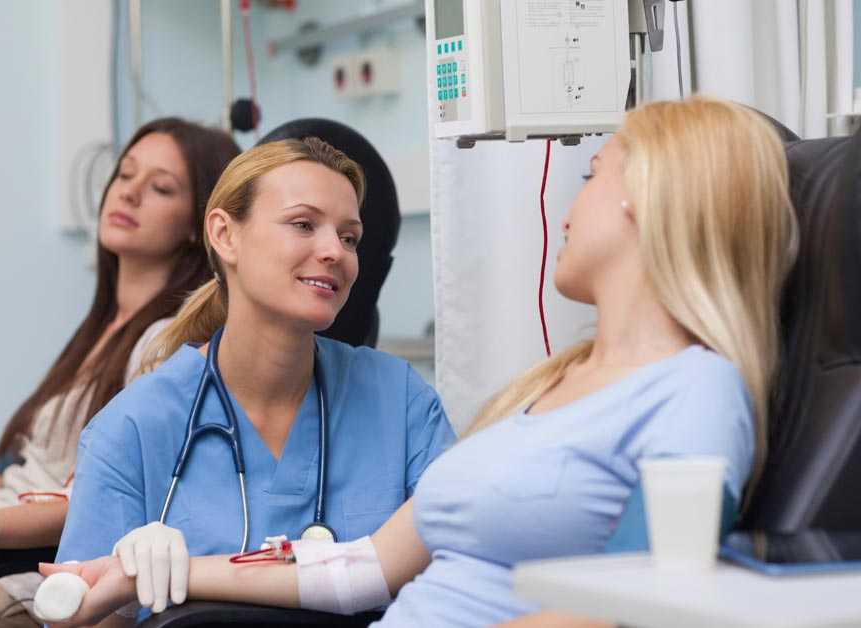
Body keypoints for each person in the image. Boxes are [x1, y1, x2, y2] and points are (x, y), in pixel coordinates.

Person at [39, 97, 799, 628]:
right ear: (224, 236)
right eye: (303, 225)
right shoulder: (549, 388)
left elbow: (645, 605)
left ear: (651, 199)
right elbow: (364, 568)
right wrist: (145, 572)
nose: (568, 206)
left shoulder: (694, 390)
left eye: (593, 172)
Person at [49, 137, 455, 620]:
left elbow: (462, 571)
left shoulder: (400, 401)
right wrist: (123, 584)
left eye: (349, 238)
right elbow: (75, 614)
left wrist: (191, 573)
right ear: (224, 235)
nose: (335, 252)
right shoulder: (134, 427)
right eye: (303, 225)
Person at [0, 117, 240, 626]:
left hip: (13, 576)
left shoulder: (166, 346)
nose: (129, 193)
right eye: (125, 174)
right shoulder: (101, 330)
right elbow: (4, 468)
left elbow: (102, 502)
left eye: (161, 187)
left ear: (200, 225)